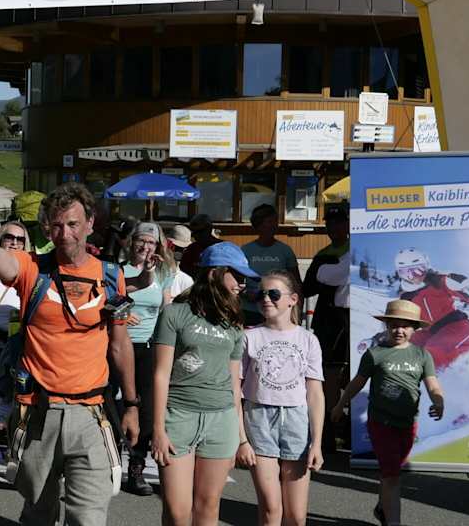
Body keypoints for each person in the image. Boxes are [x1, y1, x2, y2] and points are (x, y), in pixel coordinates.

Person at [0, 153, 141, 526]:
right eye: (57, 226)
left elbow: (120, 344)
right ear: (47, 227)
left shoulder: (110, 276)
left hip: (92, 413)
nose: (65, 234)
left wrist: (133, 404)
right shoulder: (32, 269)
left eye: (73, 224)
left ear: (90, 223)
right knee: (39, 514)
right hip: (37, 412)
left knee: (88, 519)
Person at [150, 242, 256, 526]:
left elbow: (235, 384)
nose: (242, 284)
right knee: (177, 511)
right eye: (238, 275)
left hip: (221, 421)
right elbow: (160, 374)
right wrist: (158, 429)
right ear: (213, 274)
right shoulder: (174, 313)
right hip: (178, 418)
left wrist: (241, 437)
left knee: (208, 507)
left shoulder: (233, 323)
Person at [333, 299, 444, 526]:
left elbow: (432, 385)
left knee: (391, 472)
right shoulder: (375, 354)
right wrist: (340, 404)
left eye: (405, 325)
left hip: (408, 423)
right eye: (394, 325)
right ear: (387, 326)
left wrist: (438, 401)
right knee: (392, 474)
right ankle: (393, 521)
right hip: (380, 422)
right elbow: (357, 382)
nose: (399, 330)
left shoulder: (422, 355)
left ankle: (383, 507)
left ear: (415, 329)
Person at [240, 271, 324, 526]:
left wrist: (317, 442)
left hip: (296, 420)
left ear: (293, 299)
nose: (266, 299)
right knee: (270, 510)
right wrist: (241, 439)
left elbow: (315, 392)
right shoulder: (248, 337)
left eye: (274, 294)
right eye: (260, 294)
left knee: (297, 517)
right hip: (259, 417)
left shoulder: (308, 339)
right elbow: (235, 389)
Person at [118, 221, 193, 496]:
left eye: (151, 243)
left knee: (148, 409)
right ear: (131, 241)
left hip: (149, 346)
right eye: (141, 241)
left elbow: (166, 307)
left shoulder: (162, 273)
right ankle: (109, 459)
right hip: (118, 343)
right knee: (116, 404)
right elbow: (106, 301)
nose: (146, 247)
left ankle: (136, 467)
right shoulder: (117, 270)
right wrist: (122, 314)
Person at [391, 247, 469, 370]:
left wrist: (465, 287)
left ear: (426, 267)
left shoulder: (438, 281)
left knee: (431, 353)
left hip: (457, 328)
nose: (412, 277)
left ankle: (430, 383)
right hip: (430, 333)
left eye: (417, 271)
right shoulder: (406, 296)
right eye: (405, 273)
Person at [304, 203, 350, 450]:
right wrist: (330, 276)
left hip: (356, 319)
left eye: (339, 222)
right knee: (328, 376)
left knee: (356, 374)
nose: (334, 227)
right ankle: (329, 432)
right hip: (329, 321)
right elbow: (308, 286)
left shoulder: (360, 248)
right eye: (329, 223)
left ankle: (353, 430)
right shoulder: (323, 253)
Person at [241, 204, 300, 326]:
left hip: (279, 310)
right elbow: (237, 283)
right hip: (251, 312)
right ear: (258, 225)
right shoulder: (245, 250)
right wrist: (246, 293)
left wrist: (296, 314)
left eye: (275, 221)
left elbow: (296, 283)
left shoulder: (285, 250)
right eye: (270, 221)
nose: (275, 225)